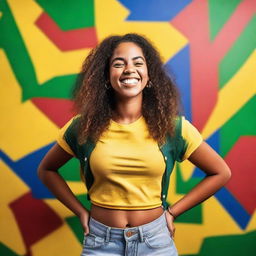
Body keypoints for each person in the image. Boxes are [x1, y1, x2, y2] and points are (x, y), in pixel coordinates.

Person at [38, 33, 231, 256]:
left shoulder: (173, 128)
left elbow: (220, 172)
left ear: (149, 77)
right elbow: (47, 170)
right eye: (119, 64)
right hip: (101, 243)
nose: (129, 69)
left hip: (156, 242)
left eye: (138, 63)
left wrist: (173, 213)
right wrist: (81, 212)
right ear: (106, 76)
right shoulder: (84, 127)